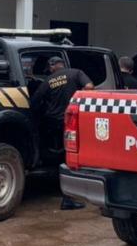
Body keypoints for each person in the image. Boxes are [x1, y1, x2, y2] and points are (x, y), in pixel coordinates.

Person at [30, 56, 94, 209]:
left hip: (54, 123)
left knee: (60, 157)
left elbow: (34, 102)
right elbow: (90, 87)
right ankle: (68, 198)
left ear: (52, 66)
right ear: (62, 64)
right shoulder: (76, 73)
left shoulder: (48, 81)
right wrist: (78, 101)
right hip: (71, 121)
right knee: (70, 156)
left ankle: (64, 192)